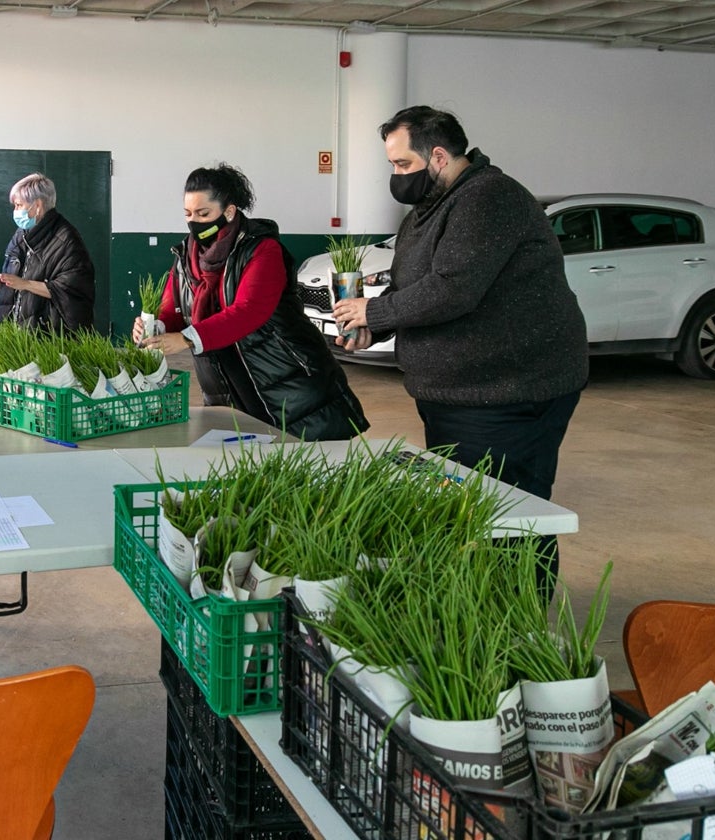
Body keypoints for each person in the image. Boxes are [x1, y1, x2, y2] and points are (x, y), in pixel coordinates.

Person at [332, 105, 588, 590]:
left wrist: (376, 313)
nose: (396, 176)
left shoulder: (489, 199)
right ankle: (478, 604)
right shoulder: (429, 210)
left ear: (439, 156)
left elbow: (454, 287)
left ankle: (517, 619)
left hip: (510, 392)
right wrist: (376, 326)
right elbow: (415, 284)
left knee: (509, 516)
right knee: (468, 511)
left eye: (402, 164)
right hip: (460, 394)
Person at [132, 163, 368, 441]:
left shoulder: (263, 249)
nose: (194, 221)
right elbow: (173, 307)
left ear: (229, 211)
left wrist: (186, 339)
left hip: (288, 386)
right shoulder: (186, 256)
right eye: (188, 214)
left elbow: (249, 311)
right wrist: (157, 326)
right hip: (226, 386)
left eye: (203, 213)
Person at [0, 173, 95, 331]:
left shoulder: (67, 241)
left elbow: (71, 291)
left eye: (19, 205)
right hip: (17, 337)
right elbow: (12, 285)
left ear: (37, 206)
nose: (15, 211)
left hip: (49, 337)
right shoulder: (21, 235)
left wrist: (26, 284)